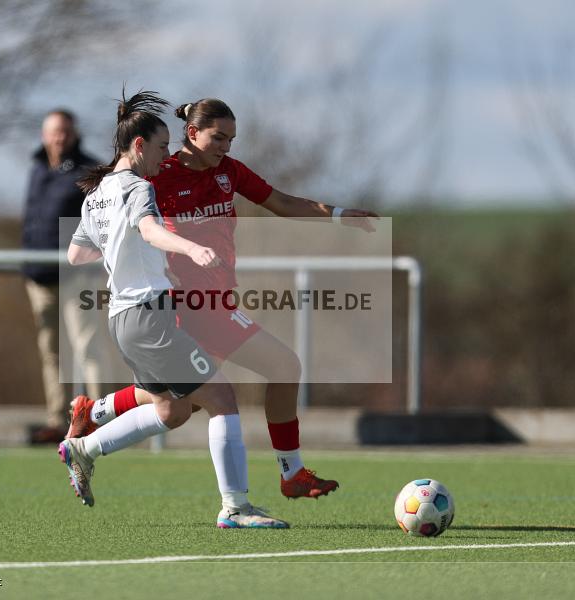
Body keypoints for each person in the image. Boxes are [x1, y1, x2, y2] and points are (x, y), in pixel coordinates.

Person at [67, 97, 379, 499]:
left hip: (212, 300)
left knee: (177, 408)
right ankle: (281, 478)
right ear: (191, 134)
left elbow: (281, 202)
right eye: (219, 137)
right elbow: (132, 224)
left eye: (231, 139)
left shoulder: (228, 172)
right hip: (188, 305)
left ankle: (92, 419)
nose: (225, 147)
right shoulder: (155, 176)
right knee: (278, 368)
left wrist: (336, 215)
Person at [59, 89, 289, 529]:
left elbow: (76, 255)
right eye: (163, 147)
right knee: (221, 397)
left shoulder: (96, 196)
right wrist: (190, 248)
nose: (167, 155)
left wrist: (121, 253)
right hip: (148, 315)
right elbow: (150, 230)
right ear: (140, 145)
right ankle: (236, 508)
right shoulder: (137, 186)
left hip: (123, 319)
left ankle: (83, 449)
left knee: (172, 411)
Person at [22, 108, 111, 443]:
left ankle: (99, 419)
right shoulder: (36, 169)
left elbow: (104, 221)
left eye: (64, 131)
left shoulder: (90, 170)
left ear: (73, 134)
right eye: (53, 131)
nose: (58, 137)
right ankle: (57, 419)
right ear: (44, 135)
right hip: (39, 278)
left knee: (88, 348)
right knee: (51, 352)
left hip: (78, 277)